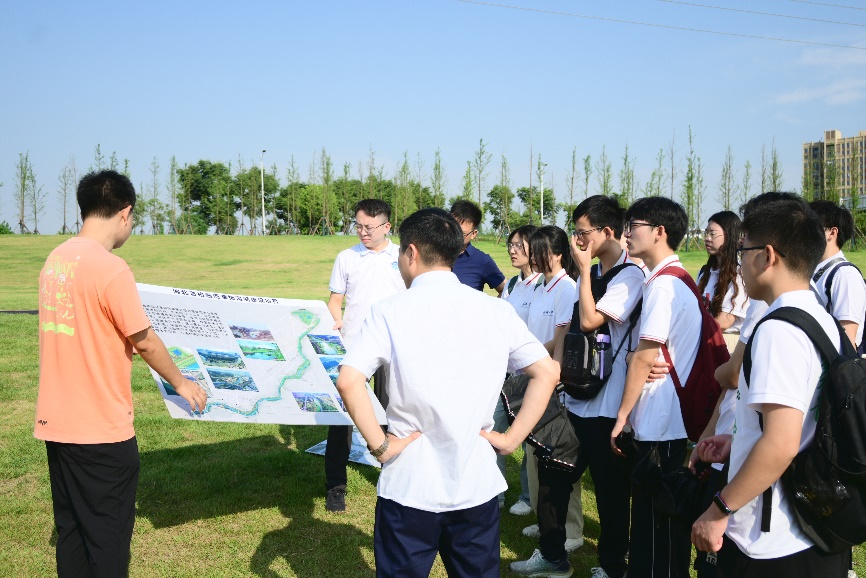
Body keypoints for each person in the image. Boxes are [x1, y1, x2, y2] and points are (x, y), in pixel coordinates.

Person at [335, 208, 560, 578]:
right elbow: (547, 371)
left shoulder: (389, 311)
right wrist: (511, 439)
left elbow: (348, 380)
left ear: (410, 252)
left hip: (409, 483)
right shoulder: (495, 310)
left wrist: (381, 446)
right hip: (475, 482)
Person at [34, 170, 208, 577]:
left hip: (57, 425)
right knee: (107, 543)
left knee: (72, 531)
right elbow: (144, 340)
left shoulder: (56, 260)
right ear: (125, 213)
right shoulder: (111, 269)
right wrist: (181, 382)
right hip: (100, 430)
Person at [691, 194, 850, 577]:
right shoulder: (818, 315)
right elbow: (800, 420)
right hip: (812, 525)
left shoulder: (779, 330)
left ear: (768, 256)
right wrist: (740, 441)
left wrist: (718, 510)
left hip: (772, 538)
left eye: (742, 250)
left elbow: (781, 443)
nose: (738, 262)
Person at [515, 196, 644, 578]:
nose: (577, 240)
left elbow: (589, 320)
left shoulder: (630, 276)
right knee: (553, 477)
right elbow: (571, 331)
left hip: (608, 405)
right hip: (575, 399)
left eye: (583, 232)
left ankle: (612, 566)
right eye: (575, 232)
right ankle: (552, 555)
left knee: (610, 493)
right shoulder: (593, 273)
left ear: (608, 231)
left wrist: (584, 270)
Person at [611, 196, 701, 578]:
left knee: (657, 524)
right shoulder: (672, 278)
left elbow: (646, 356)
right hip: (666, 417)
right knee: (655, 521)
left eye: (634, 226)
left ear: (659, 232)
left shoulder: (664, 285)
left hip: (662, 418)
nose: (627, 234)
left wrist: (622, 416)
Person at [324, 199, 406, 512]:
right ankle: (335, 486)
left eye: (369, 227)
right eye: (358, 226)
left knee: (390, 412)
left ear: (387, 226)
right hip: (354, 347)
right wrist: (337, 321)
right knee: (342, 417)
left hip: (392, 347)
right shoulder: (346, 257)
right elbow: (335, 301)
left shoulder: (401, 256)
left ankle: (392, 477)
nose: (363, 232)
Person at [514, 225, 585, 574]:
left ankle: (571, 530)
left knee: (559, 460)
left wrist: (530, 362)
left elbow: (560, 340)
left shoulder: (567, 289)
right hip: (534, 377)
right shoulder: (539, 286)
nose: (533, 257)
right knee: (535, 454)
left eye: (539, 251)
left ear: (557, 254)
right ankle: (547, 523)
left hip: (551, 382)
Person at [499, 224, 541, 515]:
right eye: (511, 245)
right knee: (492, 427)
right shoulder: (512, 284)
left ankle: (528, 496)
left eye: (519, 246)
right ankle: (496, 493)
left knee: (531, 439)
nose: (512, 251)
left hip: (534, 372)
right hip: (507, 373)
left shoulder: (544, 285)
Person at [809, 200, 866, 350]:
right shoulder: (815, 271)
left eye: (810, 228)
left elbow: (847, 342)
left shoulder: (845, 275)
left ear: (832, 233)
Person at [697, 211, 749, 351]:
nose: (707, 238)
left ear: (729, 236)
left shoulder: (739, 275)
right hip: (704, 339)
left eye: (712, 234)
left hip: (725, 345)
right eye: (706, 233)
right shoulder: (705, 273)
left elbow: (725, 321)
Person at [450, 200, 506, 295]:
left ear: (473, 234)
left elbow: (505, 291)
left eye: (462, 233)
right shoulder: (432, 254)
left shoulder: (482, 261)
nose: (455, 236)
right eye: (452, 229)